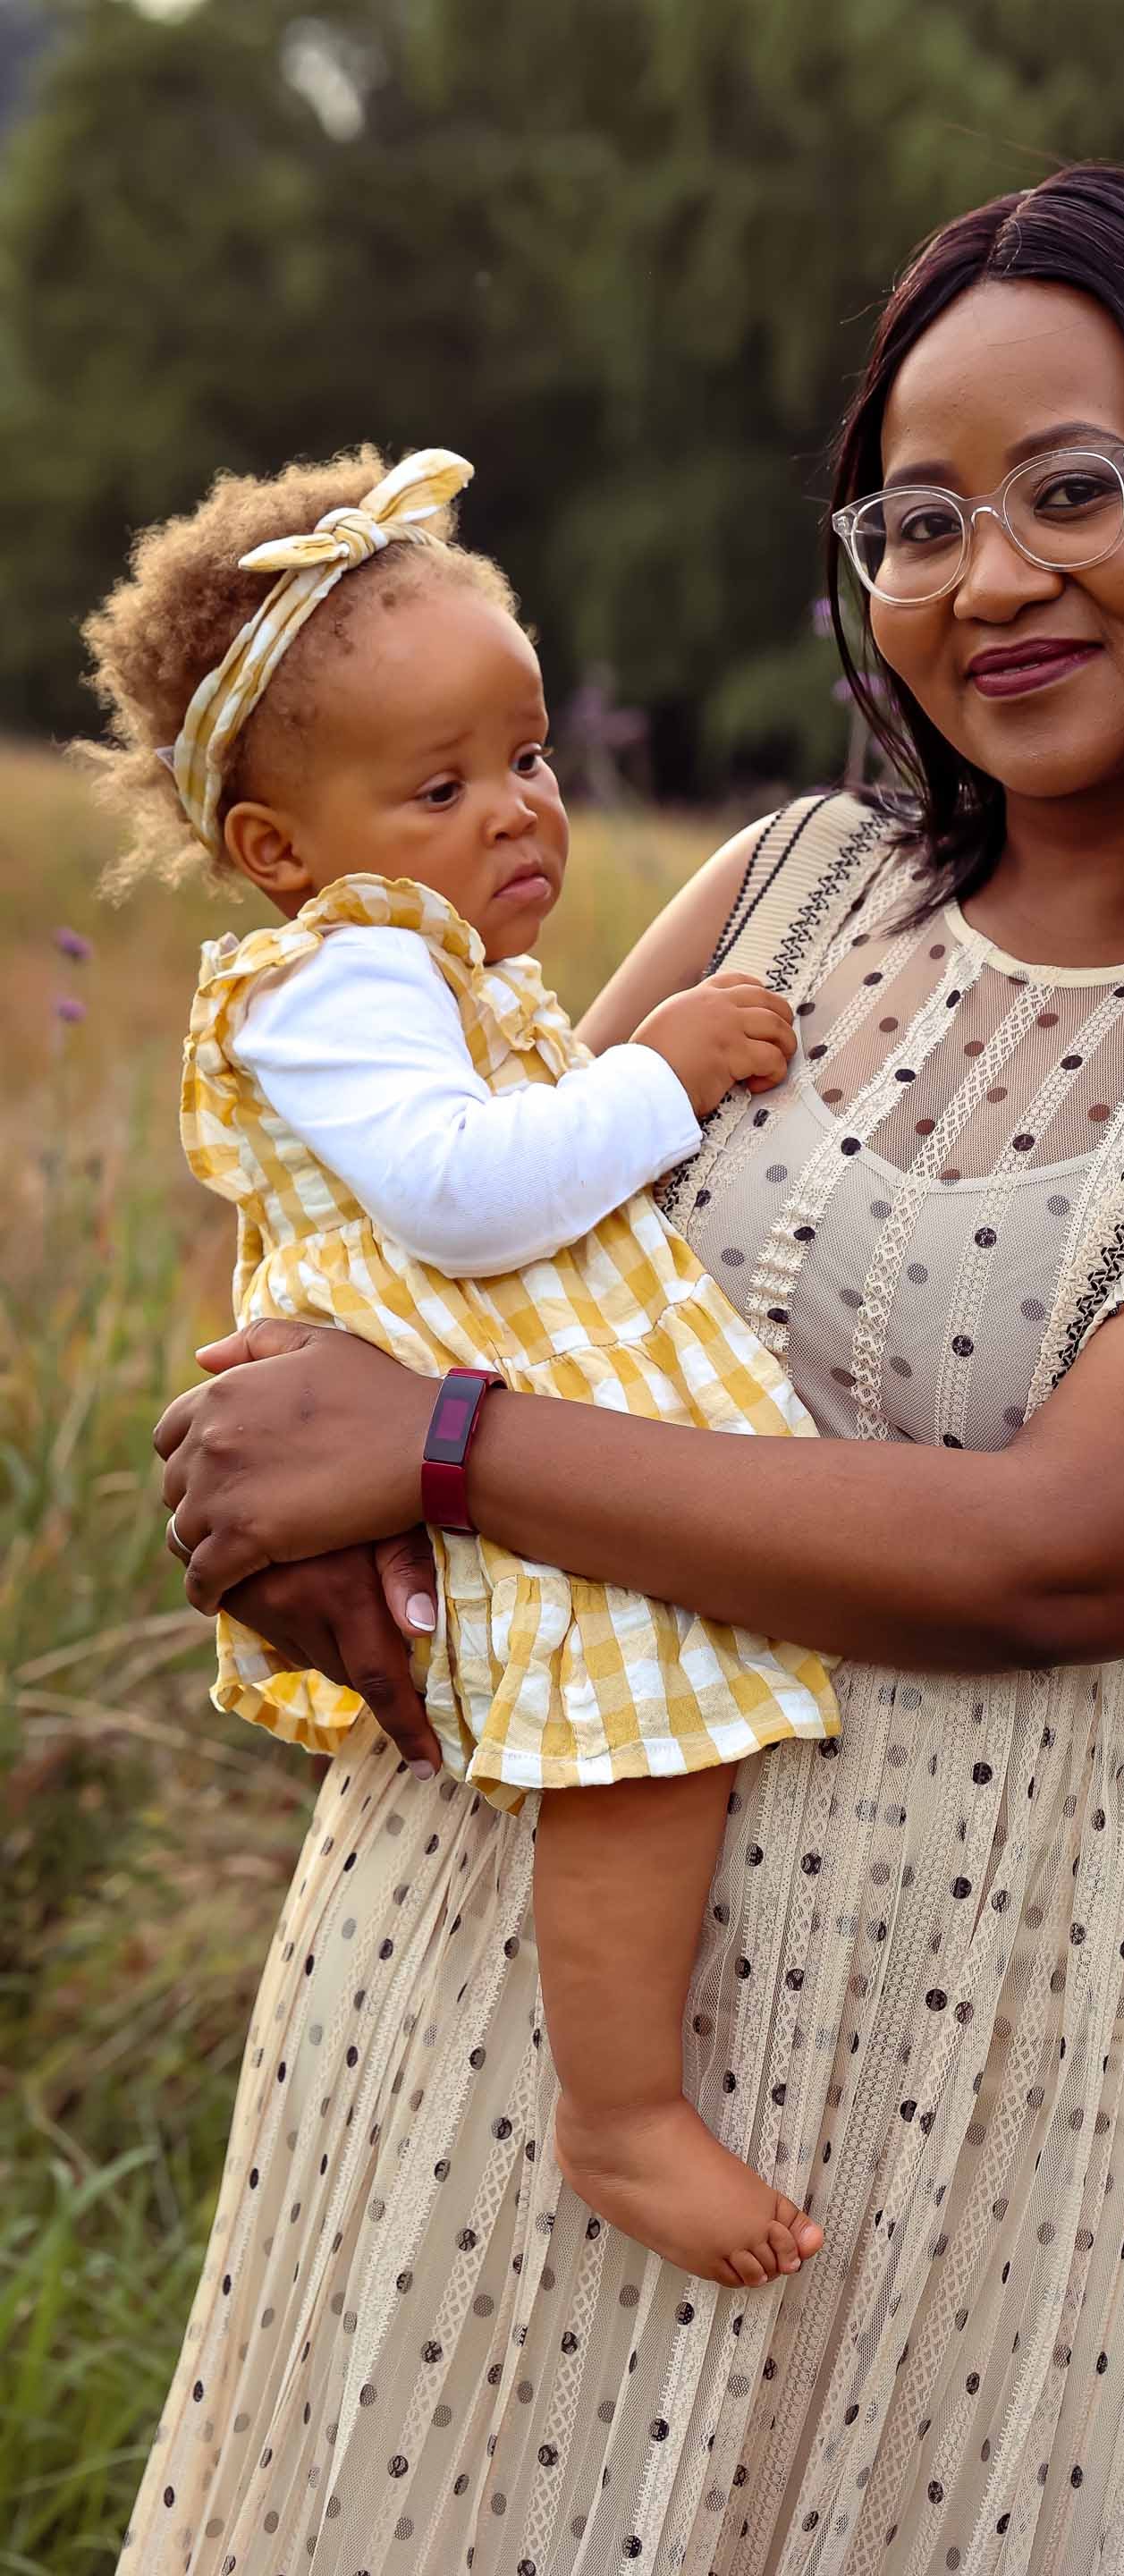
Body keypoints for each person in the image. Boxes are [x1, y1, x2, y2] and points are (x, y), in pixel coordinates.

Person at [131, 166, 1124, 2575]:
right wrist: (275, 1482)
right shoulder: (787, 887)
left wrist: (443, 1456)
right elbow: (446, 1267)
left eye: (1074, 490)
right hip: (511, 1973)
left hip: (1017, 2020)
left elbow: (1060, 1557)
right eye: (916, 520)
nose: (988, 579)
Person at [80, 444, 835, 2288]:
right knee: (640, 1753)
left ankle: (619, 2093)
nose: (518, 815)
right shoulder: (345, 980)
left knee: (652, 1743)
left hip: (479, 1434)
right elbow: (461, 1196)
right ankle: (622, 2111)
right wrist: (659, 1076)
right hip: (456, 1456)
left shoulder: (430, 969)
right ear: (278, 852)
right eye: (441, 787)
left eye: (530, 759)